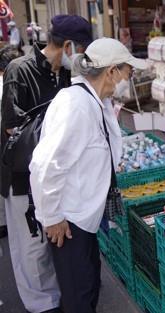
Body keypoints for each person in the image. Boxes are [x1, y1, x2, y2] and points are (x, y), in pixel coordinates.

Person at [29, 37, 147, 313]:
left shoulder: (95, 100)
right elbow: (45, 165)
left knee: (88, 282)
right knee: (78, 295)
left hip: (83, 216)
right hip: (69, 222)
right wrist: (52, 218)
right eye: (128, 71)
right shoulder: (76, 106)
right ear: (111, 72)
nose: (129, 78)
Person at [1, 15, 92, 313]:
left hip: (57, 173)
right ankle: (41, 306)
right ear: (68, 46)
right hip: (21, 174)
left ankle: (58, 297)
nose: (82, 55)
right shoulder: (19, 70)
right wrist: (57, 133)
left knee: (54, 236)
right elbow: (12, 127)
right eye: (81, 48)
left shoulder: (67, 74)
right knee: (31, 246)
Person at [0, 46, 23, 239]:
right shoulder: (10, 86)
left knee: (17, 234)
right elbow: (11, 128)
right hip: (14, 166)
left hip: (7, 167)